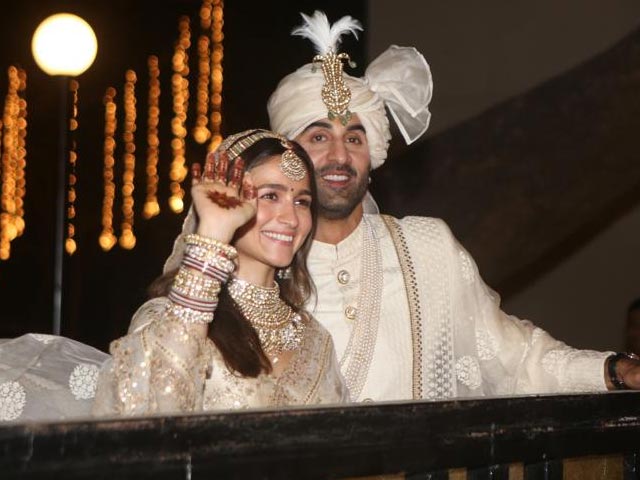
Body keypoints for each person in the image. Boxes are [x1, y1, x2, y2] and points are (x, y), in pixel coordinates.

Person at [267, 10, 640, 402]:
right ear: (287, 154)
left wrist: (615, 370)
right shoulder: (259, 259)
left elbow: (517, 359)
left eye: (355, 139)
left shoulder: (426, 247)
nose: (340, 156)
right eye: (319, 137)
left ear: (372, 153)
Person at [92, 130, 347, 416]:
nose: (291, 219)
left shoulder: (315, 339)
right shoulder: (168, 318)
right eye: (270, 196)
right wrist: (214, 231)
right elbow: (156, 413)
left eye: (302, 202)